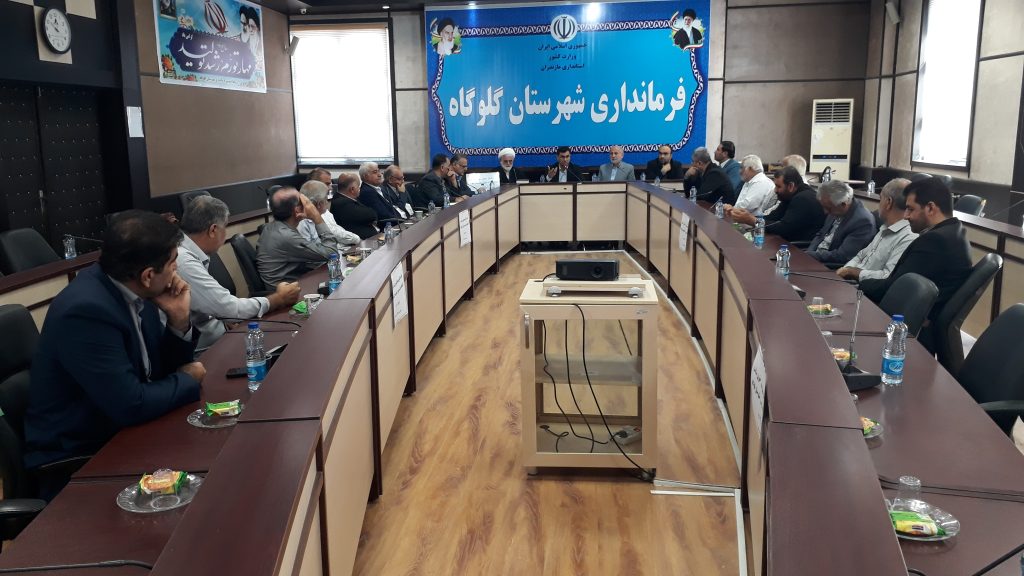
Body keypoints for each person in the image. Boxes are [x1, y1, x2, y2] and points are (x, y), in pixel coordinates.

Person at [24, 210, 205, 494]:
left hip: (126, 434)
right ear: (148, 276)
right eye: (173, 264)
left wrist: (179, 320)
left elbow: (161, 371)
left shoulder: (133, 289)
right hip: (82, 456)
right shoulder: (86, 311)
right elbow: (131, 405)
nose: (176, 273)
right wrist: (189, 379)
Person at [177, 196, 300, 350]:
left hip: (219, 334)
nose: (225, 234)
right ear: (213, 230)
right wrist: (278, 299)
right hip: (205, 351)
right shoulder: (184, 262)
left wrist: (222, 320)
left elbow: (207, 306)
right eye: (225, 227)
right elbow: (229, 308)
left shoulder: (188, 252)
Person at [858, 178, 973, 315]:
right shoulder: (954, 232)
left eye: (910, 209)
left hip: (903, 320)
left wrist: (858, 283)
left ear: (930, 208)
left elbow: (893, 288)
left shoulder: (935, 241)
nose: (906, 216)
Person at [258, 186, 349, 286]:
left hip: (294, 280)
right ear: (297, 210)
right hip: (286, 290)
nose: (309, 205)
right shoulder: (286, 236)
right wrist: (317, 217)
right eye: (305, 202)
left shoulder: (274, 227)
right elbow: (332, 254)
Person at [837, 178, 917, 282]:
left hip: (866, 289)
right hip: (849, 282)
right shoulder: (885, 227)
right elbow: (860, 256)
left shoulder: (908, 237)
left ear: (888, 202)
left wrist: (853, 272)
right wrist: (846, 270)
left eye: (880, 199)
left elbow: (888, 276)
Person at [731, 167, 825, 242]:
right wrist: (746, 217)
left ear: (791, 186)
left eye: (778, 186)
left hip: (799, 249)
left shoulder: (803, 199)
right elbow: (773, 217)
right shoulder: (790, 195)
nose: (775, 190)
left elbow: (784, 228)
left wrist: (753, 221)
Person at [806, 180, 876, 267]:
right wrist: (808, 253)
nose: (825, 212)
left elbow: (843, 256)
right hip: (814, 258)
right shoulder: (835, 207)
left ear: (843, 204)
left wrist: (810, 255)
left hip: (830, 266)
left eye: (828, 208)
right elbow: (820, 235)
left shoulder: (862, 221)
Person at [299, 180, 362, 245]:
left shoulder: (326, 213)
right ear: (319, 204)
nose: (327, 202)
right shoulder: (303, 223)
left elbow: (337, 230)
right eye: (326, 199)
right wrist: (356, 239)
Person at [331, 173, 380, 240]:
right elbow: (371, 215)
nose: (360, 189)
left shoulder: (347, 198)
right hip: (362, 242)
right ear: (352, 189)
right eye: (358, 186)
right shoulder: (341, 203)